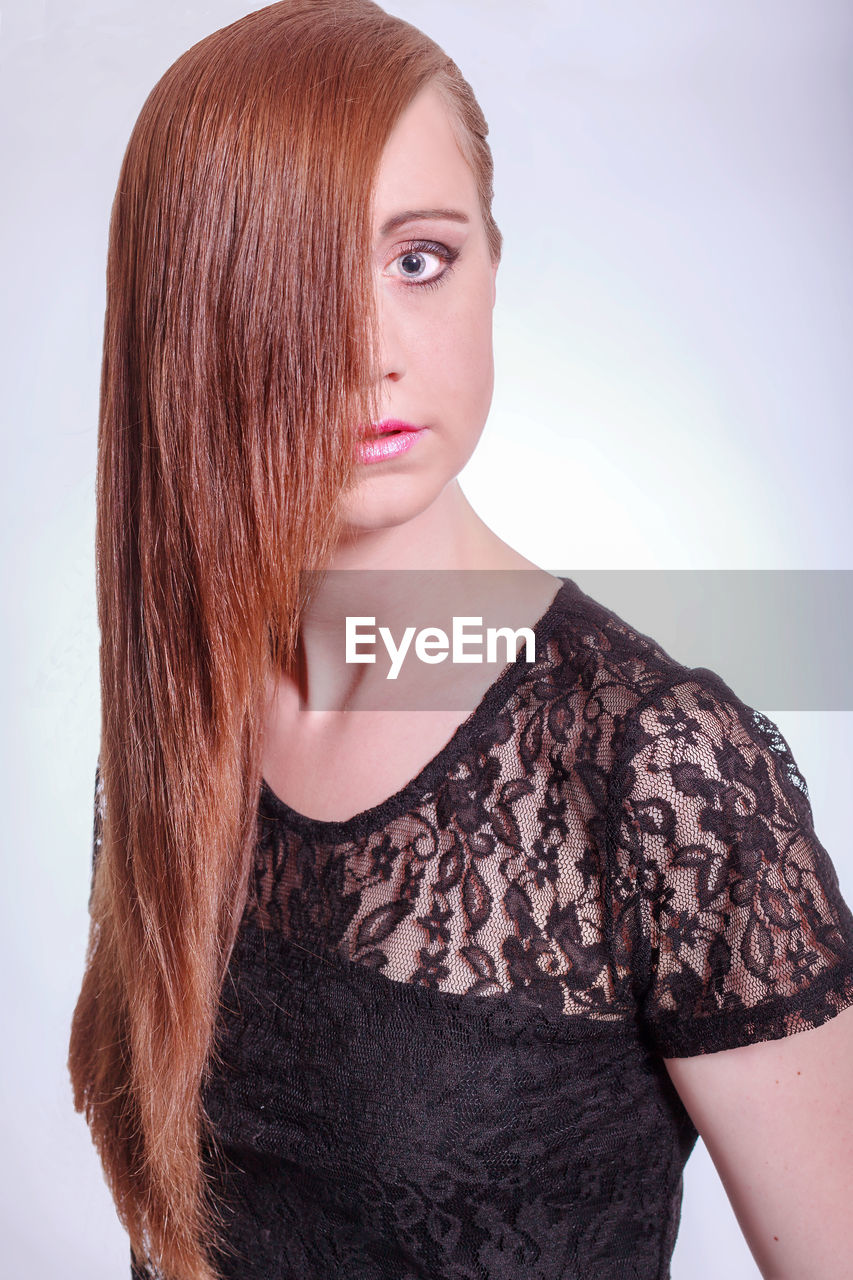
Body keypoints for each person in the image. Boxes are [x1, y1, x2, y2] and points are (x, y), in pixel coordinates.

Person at [68, 2, 853, 1279]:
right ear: (192, 317)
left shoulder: (660, 766)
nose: (371, 350)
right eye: (296, 276)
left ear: (492, 261)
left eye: (418, 259)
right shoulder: (176, 730)